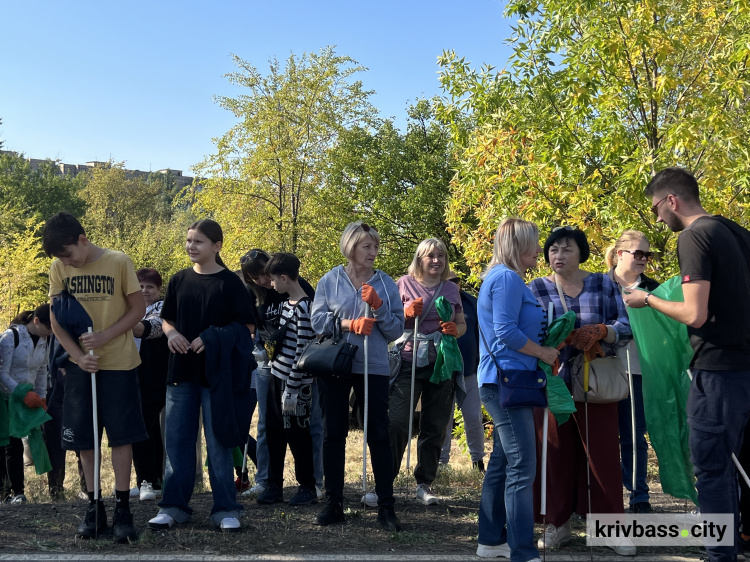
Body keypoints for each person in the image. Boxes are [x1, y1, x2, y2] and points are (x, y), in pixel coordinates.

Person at [623, 167, 750, 562]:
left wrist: (647, 300)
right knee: (741, 468)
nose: (659, 218)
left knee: (712, 469)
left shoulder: (695, 236)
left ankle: (719, 554)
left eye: (658, 208)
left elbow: (695, 313)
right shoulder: (738, 233)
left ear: (672, 200)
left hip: (718, 371)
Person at [528, 226, 634, 556]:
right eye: (553, 250)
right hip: (554, 379)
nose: (558, 256)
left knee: (602, 453)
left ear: (581, 253)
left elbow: (626, 326)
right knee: (555, 452)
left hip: (596, 378)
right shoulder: (536, 288)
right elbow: (528, 332)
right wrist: (552, 340)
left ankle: (611, 527)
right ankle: (557, 524)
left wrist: (603, 331)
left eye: (566, 249)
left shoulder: (604, 283)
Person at [43, 211, 147, 541]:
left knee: (120, 437)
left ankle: (122, 508)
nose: (66, 262)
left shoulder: (118, 261)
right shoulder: (59, 267)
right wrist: (76, 356)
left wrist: (104, 337)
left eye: (69, 254)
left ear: (82, 240)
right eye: (61, 258)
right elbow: (56, 319)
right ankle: (95, 506)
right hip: (80, 368)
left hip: (119, 364)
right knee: (85, 441)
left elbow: (137, 310)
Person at [147, 219, 255, 533]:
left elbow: (247, 328)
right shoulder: (179, 280)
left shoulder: (232, 284)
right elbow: (166, 319)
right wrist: (171, 335)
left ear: (217, 246)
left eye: (199, 241)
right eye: (189, 240)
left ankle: (225, 509)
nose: (191, 246)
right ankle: (173, 507)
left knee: (219, 442)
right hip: (181, 372)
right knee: (178, 442)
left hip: (218, 376)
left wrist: (212, 337)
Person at [310, 220, 404, 531]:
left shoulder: (386, 283)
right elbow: (317, 320)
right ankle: (333, 503)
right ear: (351, 247)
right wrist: (349, 325)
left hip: (373, 365)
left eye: (376, 246)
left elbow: (395, 330)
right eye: (367, 246)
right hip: (336, 365)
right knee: (333, 432)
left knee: (378, 432)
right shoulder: (330, 280)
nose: (374, 252)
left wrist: (377, 307)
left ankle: (386, 507)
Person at [475, 218, 558, 561]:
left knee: (503, 460)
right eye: (535, 243)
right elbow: (505, 331)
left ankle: (492, 539)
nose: (539, 249)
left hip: (503, 380)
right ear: (518, 245)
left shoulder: (503, 277)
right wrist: (544, 352)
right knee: (523, 464)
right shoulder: (507, 278)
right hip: (506, 381)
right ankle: (522, 550)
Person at [390, 238, 466, 505]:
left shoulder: (450, 288)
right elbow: (391, 320)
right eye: (430, 256)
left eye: (441, 256)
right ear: (419, 259)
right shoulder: (403, 283)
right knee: (398, 421)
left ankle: (425, 482)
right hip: (409, 360)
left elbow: (461, 322)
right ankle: (384, 482)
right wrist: (405, 312)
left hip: (442, 361)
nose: (436, 260)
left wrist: (457, 329)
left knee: (435, 424)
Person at [239, 249, 320, 498]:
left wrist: (294, 386)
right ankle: (272, 483)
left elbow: (304, 347)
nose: (267, 283)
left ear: (283, 277)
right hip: (274, 371)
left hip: (296, 380)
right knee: (272, 429)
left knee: (299, 432)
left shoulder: (302, 303)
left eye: (269, 277)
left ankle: (309, 484)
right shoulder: (280, 302)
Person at [604, 230, 659, 514]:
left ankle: (639, 497)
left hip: (637, 370)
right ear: (618, 254)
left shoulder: (653, 287)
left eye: (647, 254)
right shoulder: (598, 283)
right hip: (600, 370)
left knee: (634, 436)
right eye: (638, 253)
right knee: (601, 437)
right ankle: (599, 497)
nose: (644, 259)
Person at [0, 304, 53, 504]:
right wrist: (21, 393)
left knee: (21, 444)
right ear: (36, 321)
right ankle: (7, 492)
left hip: (27, 398)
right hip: (6, 398)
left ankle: (19, 492)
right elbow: (2, 373)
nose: (50, 333)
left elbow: (41, 371)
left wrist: (41, 397)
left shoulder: (44, 341)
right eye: (48, 327)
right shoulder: (10, 337)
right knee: (9, 444)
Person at [130, 268, 170, 501]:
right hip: (131, 373)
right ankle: (148, 479)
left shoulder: (161, 308)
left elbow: (153, 330)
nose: (144, 291)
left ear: (158, 290)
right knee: (148, 426)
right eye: (141, 286)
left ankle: (148, 480)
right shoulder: (129, 308)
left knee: (145, 425)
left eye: (150, 287)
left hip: (153, 376)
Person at [440, 272, 485, 473]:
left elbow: (481, 334)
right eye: (448, 281)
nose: (453, 284)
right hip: (444, 369)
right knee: (443, 418)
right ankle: (441, 462)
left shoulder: (472, 303)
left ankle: (478, 461)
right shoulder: (437, 301)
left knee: (473, 417)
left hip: (469, 370)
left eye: (456, 280)